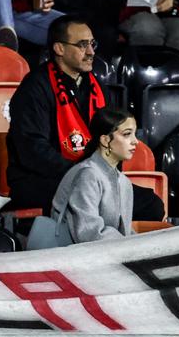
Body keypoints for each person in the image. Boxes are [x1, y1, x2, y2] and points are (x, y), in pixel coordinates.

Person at [3, 16, 160, 221]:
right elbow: (33, 151)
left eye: (92, 44)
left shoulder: (97, 87)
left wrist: (100, 173)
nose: (91, 52)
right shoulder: (34, 88)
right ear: (59, 48)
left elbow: (111, 137)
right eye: (82, 45)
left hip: (89, 177)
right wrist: (81, 174)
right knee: (93, 200)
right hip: (41, 180)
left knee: (151, 204)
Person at [30, 106, 137, 247]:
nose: (135, 141)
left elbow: (125, 233)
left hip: (104, 256)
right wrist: (130, 246)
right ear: (105, 140)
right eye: (127, 134)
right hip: (70, 259)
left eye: (134, 134)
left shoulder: (124, 182)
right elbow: (89, 233)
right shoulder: (87, 174)